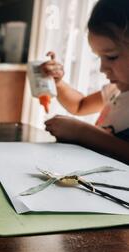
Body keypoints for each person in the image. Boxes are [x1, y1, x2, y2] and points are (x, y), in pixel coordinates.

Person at [42, 0, 129, 164]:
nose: (103, 68)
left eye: (111, 57)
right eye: (99, 57)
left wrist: (82, 132)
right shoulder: (114, 90)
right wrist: (58, 83)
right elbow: (79, 105)